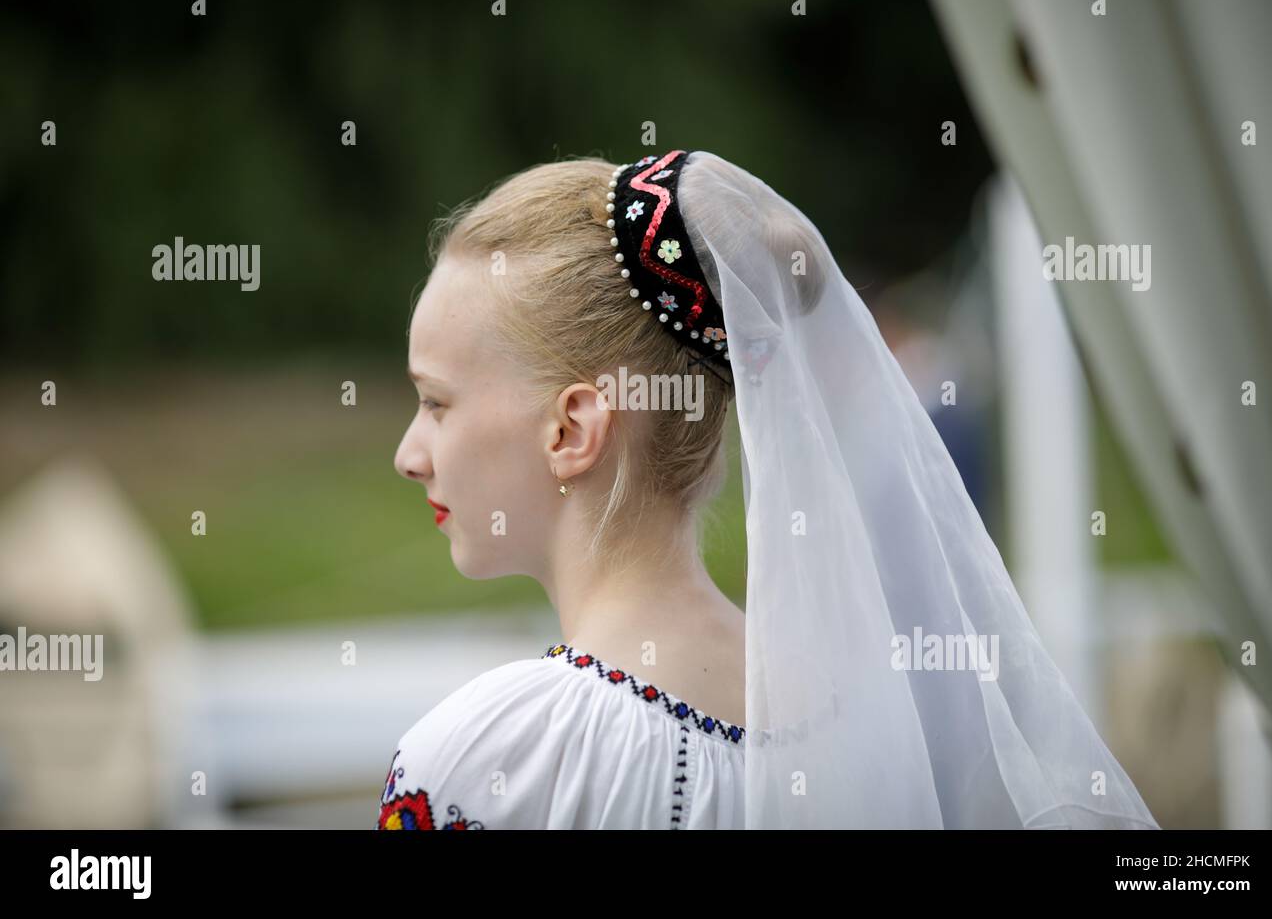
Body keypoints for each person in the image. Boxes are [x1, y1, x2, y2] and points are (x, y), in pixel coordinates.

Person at [378, 150, 1159, 830]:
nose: (409, 456)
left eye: (437, 402)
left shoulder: (492, 759)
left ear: (573, 429)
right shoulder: (861, 737)